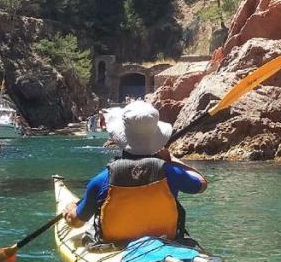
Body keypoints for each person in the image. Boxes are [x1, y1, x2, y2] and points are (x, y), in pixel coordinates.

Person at [65, 101, 207, 243]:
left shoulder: (101, 180)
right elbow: (202, 184)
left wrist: (69, 210)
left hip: (114, 246)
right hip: (165, 241)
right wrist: (172, 160)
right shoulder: (172, 173)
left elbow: (76, 222)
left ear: (120, 139)